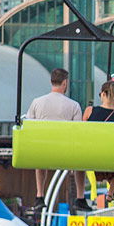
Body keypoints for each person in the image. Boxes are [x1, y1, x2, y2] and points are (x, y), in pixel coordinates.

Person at [25, 68, 89, 213]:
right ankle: (80, 197)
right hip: (65, 153)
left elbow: (29, 128)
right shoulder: (73, 105)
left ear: (51, 82)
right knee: (82, 159)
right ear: (65, 83)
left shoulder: (37, 102)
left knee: (40, 157)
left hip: (43, 152)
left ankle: (39, 195)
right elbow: (78, 134)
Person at [82, 80, 114, 200]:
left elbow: (82, 131)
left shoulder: (89, 111)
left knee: (108, 162)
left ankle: (113, 191)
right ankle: (111, 192)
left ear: (103, 94)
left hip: (92, 154)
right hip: (112, 155)